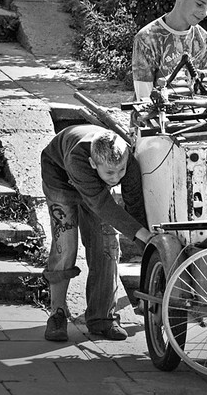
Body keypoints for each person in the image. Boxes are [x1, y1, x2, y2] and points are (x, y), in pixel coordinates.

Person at [40, 124, 153, 342]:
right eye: (110, 173)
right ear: (93, 163)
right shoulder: (78, 160)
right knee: (66, 242)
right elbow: (101, 204)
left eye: (120, 171)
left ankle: (102, 318)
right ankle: (57, 314)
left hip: (94, 186)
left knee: (107, 244)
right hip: (59, 178)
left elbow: (135, 205)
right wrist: (140, 234)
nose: (116, 177)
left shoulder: (126, 162)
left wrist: (147, 246)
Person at [132, 0, 207, 101]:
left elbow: (202, 91)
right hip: (153, 118)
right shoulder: (147, 38)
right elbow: (144, 98)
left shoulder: (205, 41)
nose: (204, 13)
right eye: (199, 4)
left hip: (192, 118)